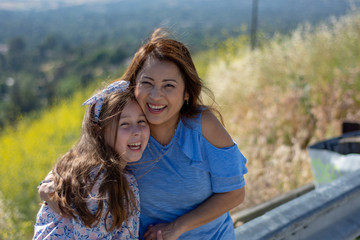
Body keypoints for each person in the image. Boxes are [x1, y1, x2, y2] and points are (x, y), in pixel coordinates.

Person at [40, 28, 248, 239]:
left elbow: (235, 193)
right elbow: (85, 151)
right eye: (147, 83)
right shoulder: (124, 129)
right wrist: (49, 186)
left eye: (169, 86)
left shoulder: (203, 125)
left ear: (186, 93)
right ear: (134, 86)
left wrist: (176, 228)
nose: (156, 96)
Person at [33, 80, 153, 239]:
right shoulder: (96, 182)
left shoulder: (122, 178)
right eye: (124, 124)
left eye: (141, 121)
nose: (137, 131)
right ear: (99, 131)